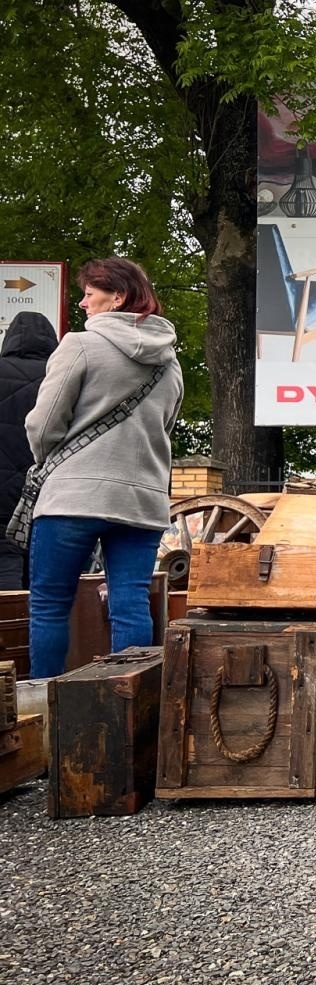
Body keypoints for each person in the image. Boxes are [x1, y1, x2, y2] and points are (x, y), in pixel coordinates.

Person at [25, 259, 183, 677]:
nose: (82, 303)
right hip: (143, 499)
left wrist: (52, 461)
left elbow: (43, 423)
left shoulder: (79, 344)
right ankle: (129, 706)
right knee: (130, 599)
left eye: (89, 294)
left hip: (73, 496)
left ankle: (45, 706)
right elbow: (165, 426)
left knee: (50, 603)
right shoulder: (169, 362)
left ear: (118, 297)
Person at [0, 313, 59, 589]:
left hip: (1, 495)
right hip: (46, 492)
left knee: (5, 566)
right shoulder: (60, 376)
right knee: (45, 580)